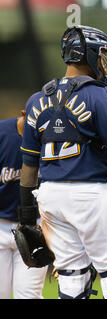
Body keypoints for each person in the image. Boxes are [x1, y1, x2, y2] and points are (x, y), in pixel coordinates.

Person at [19, 25, 107, 299]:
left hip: (50, 198)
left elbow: (29, 166)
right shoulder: (96, 95)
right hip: (91, 194)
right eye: (102, 53)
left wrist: (26, 217)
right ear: (86, 53)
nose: (104, 60)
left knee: (72, 280)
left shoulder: (37, 99)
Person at [0, 111, 48, 299]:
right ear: (24, 114)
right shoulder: (2, 134)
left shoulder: (50, 140)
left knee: (29, 295)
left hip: (34, 228)